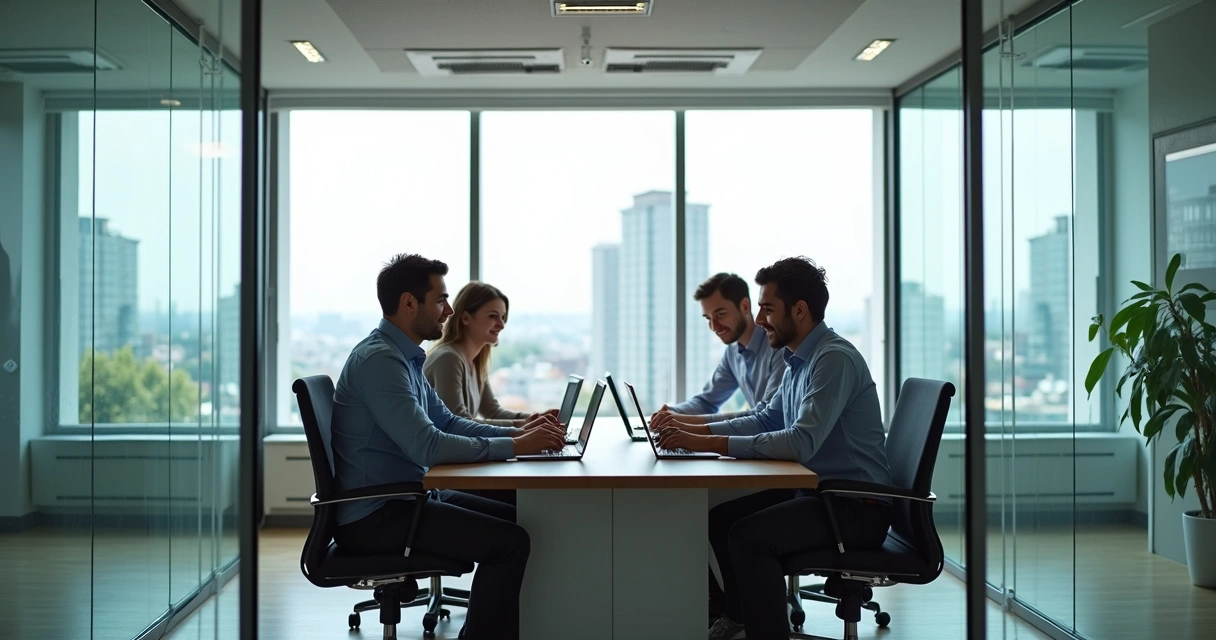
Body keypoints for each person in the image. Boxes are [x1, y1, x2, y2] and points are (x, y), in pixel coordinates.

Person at [653, 257, 893, 640]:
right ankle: (740, 617)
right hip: (822, 494)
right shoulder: (798, 358)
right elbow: (765, 418)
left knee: (749, 537)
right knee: (721, 520)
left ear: (799, 311)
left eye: (767, 308)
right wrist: (688, 429)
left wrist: (706, 442)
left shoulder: (832, 359)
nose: (760, 319)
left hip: (854, 506)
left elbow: (800, 441)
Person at [329, 253, 566, 640]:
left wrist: (520, 440)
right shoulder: (381, 362)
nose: (449, 309)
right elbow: (428, 446)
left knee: (522, 517)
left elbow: (449, 422)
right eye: (440, 299)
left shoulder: (403, 359)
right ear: (409, 303)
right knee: (511, 542)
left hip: (405, 498)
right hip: (377, 515)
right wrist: (516, 448)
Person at [650, 272, 785, 428]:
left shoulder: (777, 347)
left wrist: (686, 422)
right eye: (708, 318)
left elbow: (769, 416)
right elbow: (707, 402)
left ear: (745, 306)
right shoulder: (733, 352)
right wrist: (670, 413)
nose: (714, 326)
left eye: (720, 314)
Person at [424, 281, 558, 427]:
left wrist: (537, 419)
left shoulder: (475, 361)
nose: (501, 324)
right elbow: (458, 423)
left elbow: (493, 412)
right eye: (493, 316)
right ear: (466, 318)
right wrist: (524, 424)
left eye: (502, 317)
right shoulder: (448, 359)